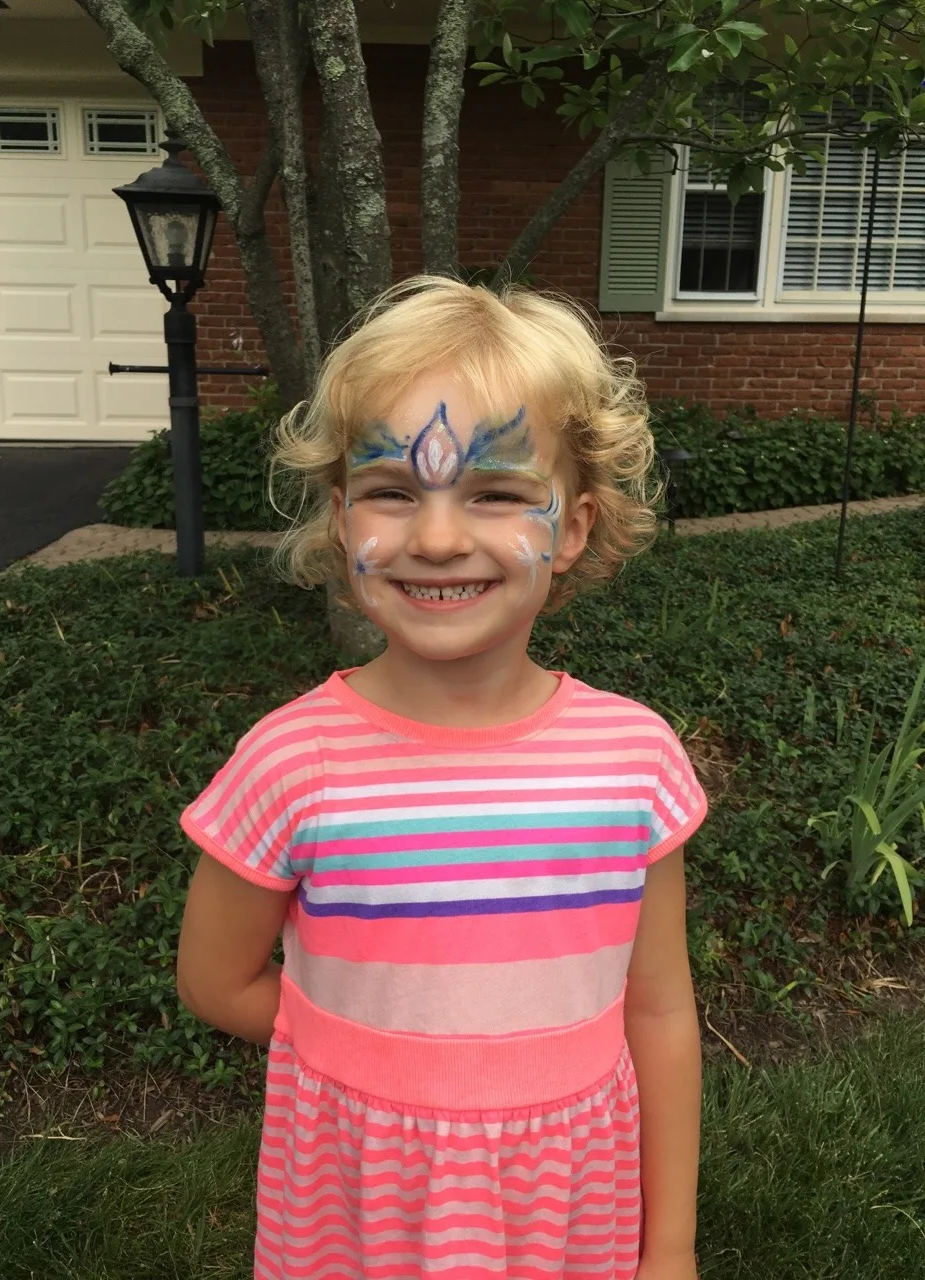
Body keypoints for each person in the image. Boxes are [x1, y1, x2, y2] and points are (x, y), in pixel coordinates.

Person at [176, 275, 709, 1280]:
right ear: (342, 520)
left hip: (570, 1202)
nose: (435, 536)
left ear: (579, 524)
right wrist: (378, 1064)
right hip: (361, 1202)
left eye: (498, 492)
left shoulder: (635, 761)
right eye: (391, 489)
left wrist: (669, 1244)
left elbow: (661, 1010)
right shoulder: (293, 763)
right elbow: (215, 977)